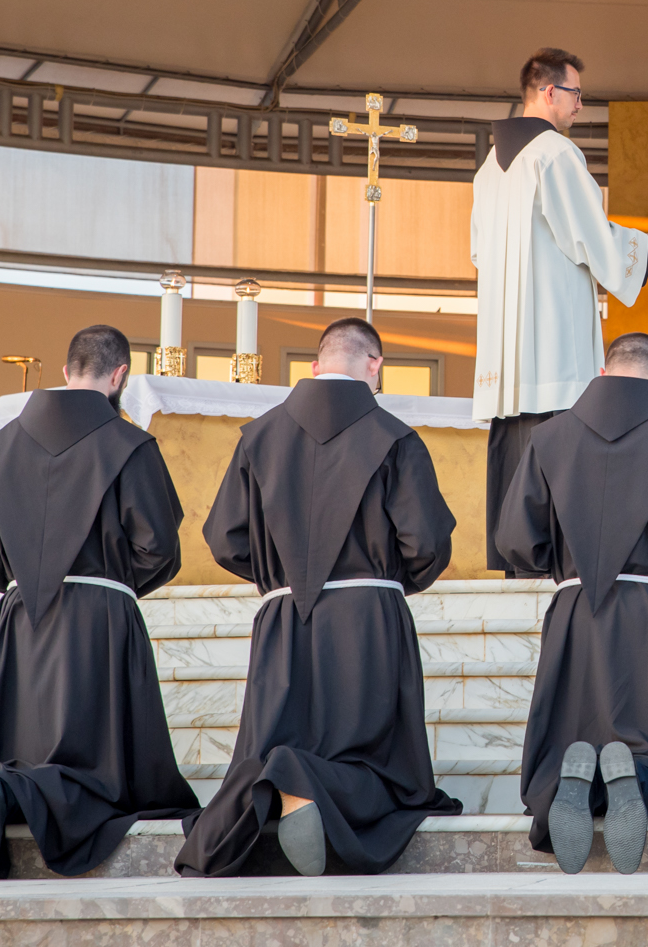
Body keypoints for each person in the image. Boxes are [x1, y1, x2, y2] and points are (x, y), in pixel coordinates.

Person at [178, 318, 460, 878]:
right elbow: (425, 543)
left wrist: (279, 577)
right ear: (375, 365)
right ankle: (301, 777)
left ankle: (284, 777)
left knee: (279, 741)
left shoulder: (258, 436)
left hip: (283, 620)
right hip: (367, 622)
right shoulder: (395, 437)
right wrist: (387, 582)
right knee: (382, 765)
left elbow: (225, 539)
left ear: (314, 366)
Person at [0, 325, 198, 882]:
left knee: (27, 746)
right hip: (99, 619)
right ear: (120, 376)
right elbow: (159, 548)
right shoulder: (130, 445)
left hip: (21, 619)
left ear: (67, 371)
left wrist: (30, 582)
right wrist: (111, 587)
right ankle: (5, 792)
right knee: (99, 771)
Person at [495, 332, 648, 875]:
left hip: (577, 614)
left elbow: (517, 541)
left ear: (604, 370)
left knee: (573, 729)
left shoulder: (549, 437)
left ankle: (577, 783)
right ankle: (641, 777)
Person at [472, 48, 648, 576]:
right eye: (576, 94)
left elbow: (477, 253)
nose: (580, 106)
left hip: (504, 345)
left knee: (514, 441)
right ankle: (558, 562)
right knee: (559, 440)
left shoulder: (489, 168)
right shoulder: (556, 154)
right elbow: (589, 235)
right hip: (551, 335)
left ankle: (516, 562)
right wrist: (643, 243)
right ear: (549, 92)